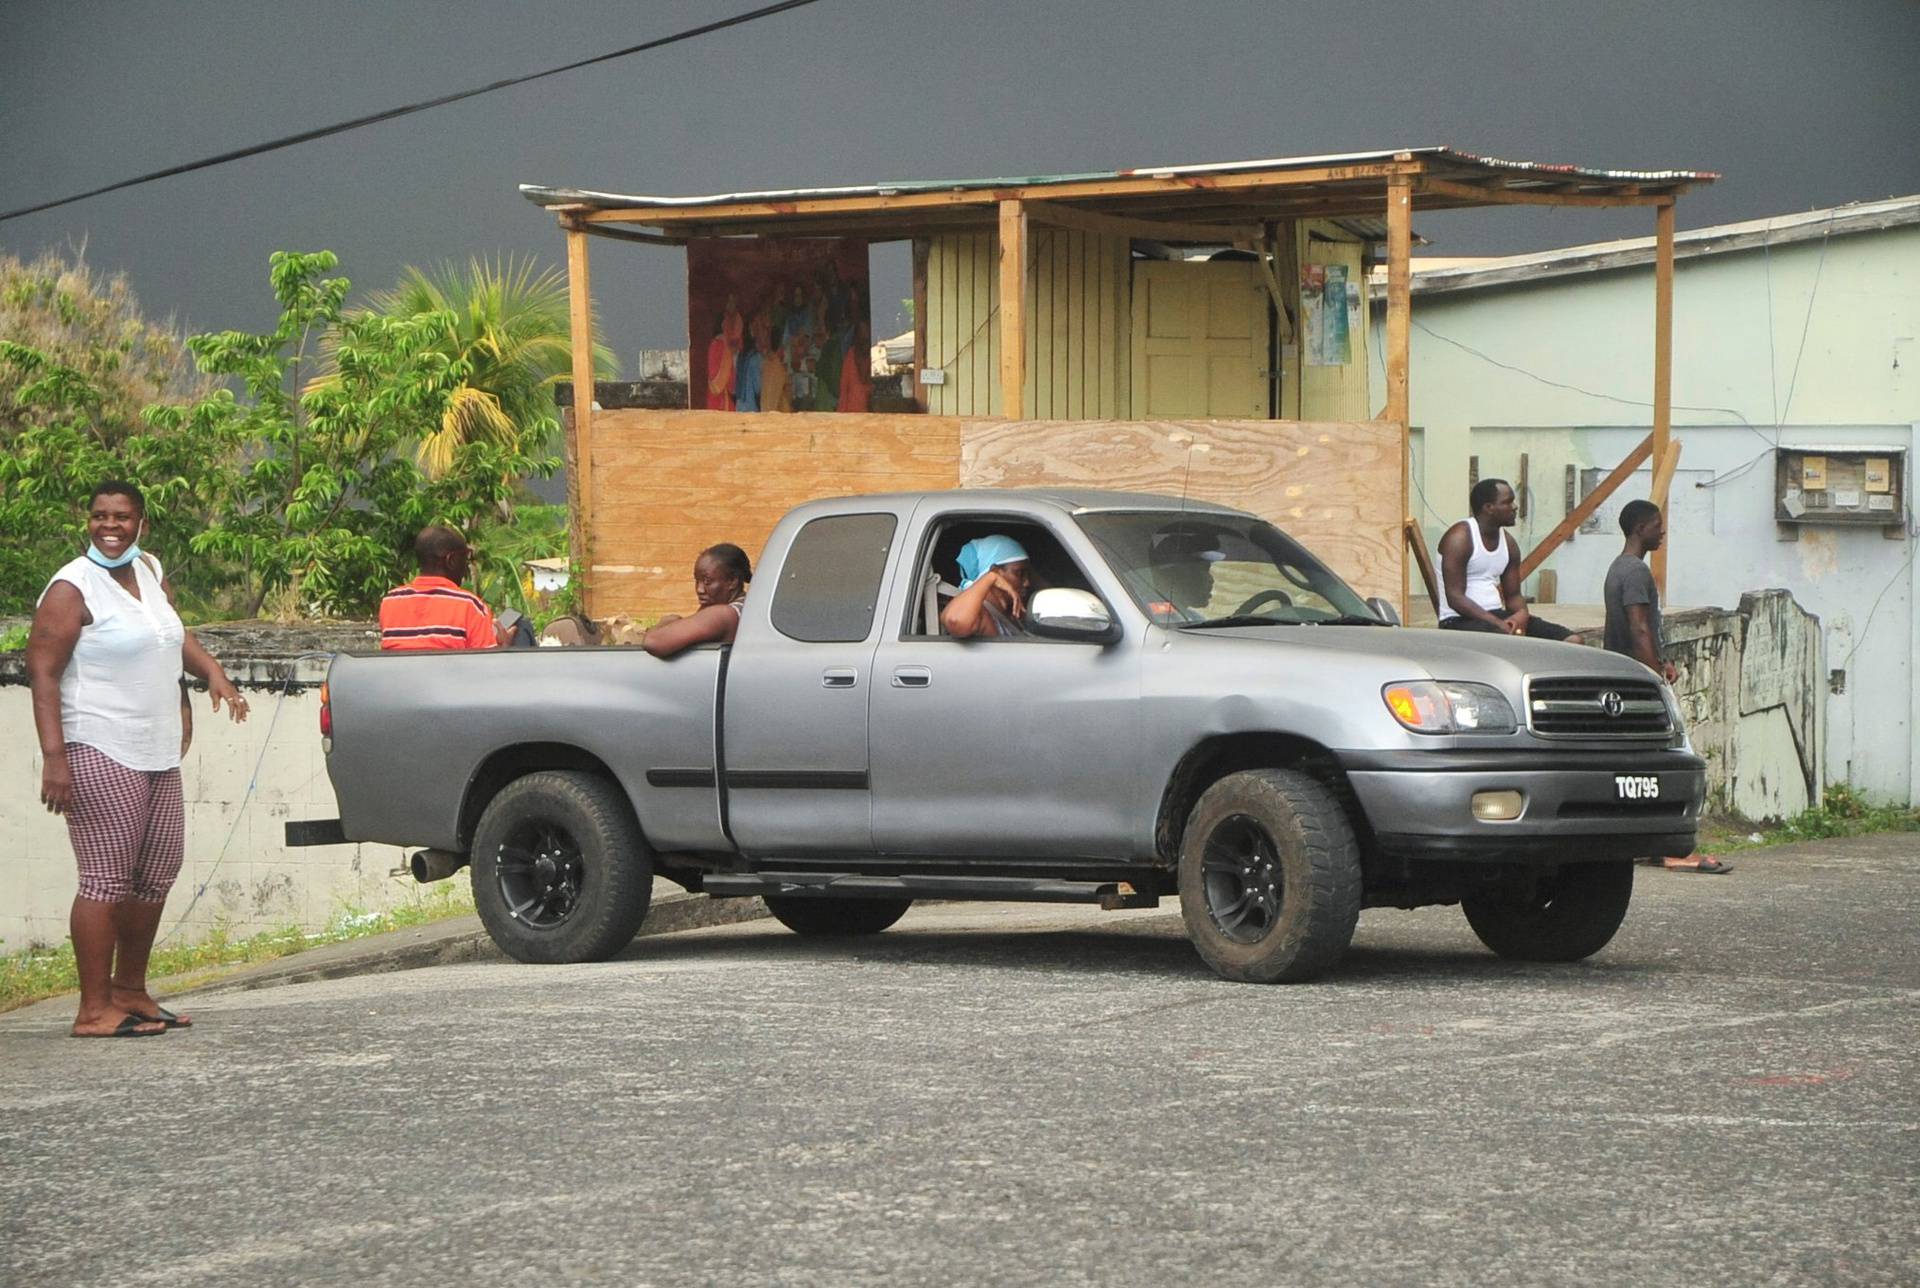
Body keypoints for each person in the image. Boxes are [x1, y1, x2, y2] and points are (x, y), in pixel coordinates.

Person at [26, 480, 249, 1038]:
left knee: (156, 870)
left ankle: (130, 990)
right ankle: (92, 1009)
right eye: (99, 516)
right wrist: (55, 757)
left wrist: (213, 675)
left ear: (140, 524)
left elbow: (171, 636)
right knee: (106, 878)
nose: (109, 526)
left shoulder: (148, 570)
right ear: (88, 522)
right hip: (98, 746)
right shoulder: (71, 588)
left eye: (121, 517)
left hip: (155, 749)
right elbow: (43, 673)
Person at [1605, 499, 1730, 874]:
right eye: (1658, 525)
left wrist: (1661, 661)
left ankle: (1647, 844)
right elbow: (1639, 627)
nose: (1663, 532)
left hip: (1626, 679)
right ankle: (1674, 848)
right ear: (1641, 528)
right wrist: (1656, 673)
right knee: (1671, 765)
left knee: (1638, 772)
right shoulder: (1636, 573)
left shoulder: (1618, 568)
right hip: (1639, 685)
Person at [1437, 478, 1583, 642]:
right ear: (1489, 508)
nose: (1515, 507)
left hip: (1497, 617)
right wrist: (1499, 624)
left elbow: (1513, 596)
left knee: (1572, 640)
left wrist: (1521, 616)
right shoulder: (1459, 538)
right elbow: (1455, 598)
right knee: (1505, 640)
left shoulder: (1509, 543)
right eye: (1508, 502)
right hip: (1458, 620)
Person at [378, 526, 504, 651]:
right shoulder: (470, 606)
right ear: (451, 560)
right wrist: (504, 646)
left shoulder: (390, 602)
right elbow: (486, 664)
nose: (466, 567)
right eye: (465, 559)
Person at [641, 543, 753, 656]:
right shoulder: (747, 605)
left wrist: (667, 621)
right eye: (697, 580)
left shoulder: (724, 614)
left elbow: (653, 642)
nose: (700, 589)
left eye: (707, 581)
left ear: (732, 581)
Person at [941, 535, 1032, 639]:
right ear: (995, 571)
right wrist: (990, 578)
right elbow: (955, 621)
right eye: (1019, 573)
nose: (1026, 583)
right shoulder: (980, 613)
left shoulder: (1012, 612)